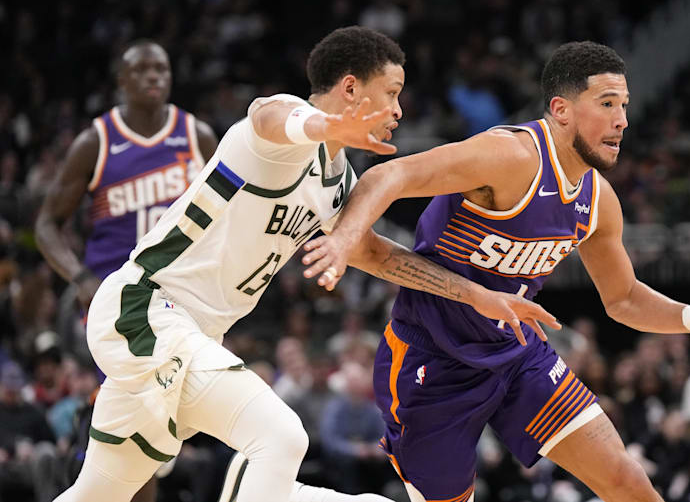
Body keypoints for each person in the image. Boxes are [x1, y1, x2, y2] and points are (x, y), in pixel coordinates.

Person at [52, 26, 555, 502]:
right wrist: (325, 125)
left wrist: (476, 295)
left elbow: (375, 254)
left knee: (98, 493)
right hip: (146, 308)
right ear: (351, 89)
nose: (399, 109)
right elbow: (269, 116)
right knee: (280, 437)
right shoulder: (280, 132)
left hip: (195, 334)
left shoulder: (338, 180)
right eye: (391, 92)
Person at [302, 41, 690, 502]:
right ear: (561, 109)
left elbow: (623, 299)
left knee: (625, 478)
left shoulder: (598, 200)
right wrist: (343, 242)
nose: (622, 120)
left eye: (624, 105)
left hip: (517, 353)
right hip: (433, 358)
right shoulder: (510, 157)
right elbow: (388, 175)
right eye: (607, 104)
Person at [35, 39, 218, 502]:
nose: (154, 77)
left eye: (162, 69)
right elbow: (46, 224)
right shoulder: (96, 141)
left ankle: (89, 453)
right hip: (119, 300)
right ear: (121, 80)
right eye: (142, 70)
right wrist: (79, 278)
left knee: (158, 430)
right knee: (142, 429)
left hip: (181, 294)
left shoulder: (196, 136)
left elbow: (231, 212)